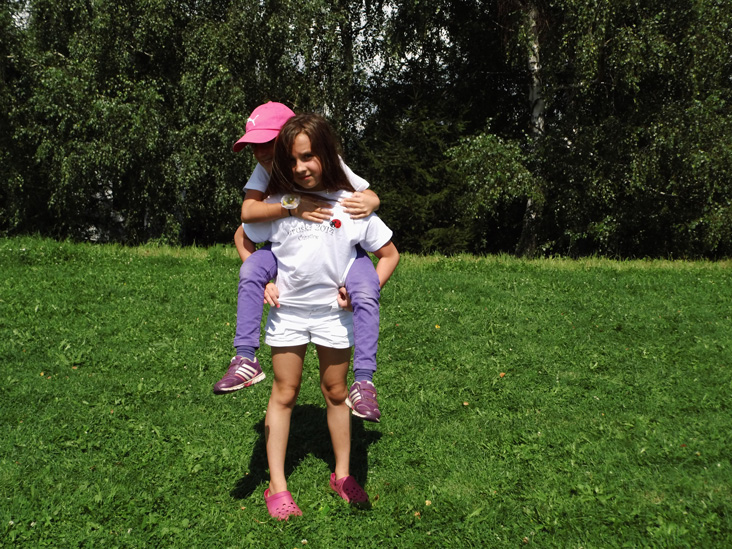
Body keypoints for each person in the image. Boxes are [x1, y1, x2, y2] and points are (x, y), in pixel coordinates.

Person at [243, 113, 399, 520]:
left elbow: (389, 254)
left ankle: (342, 475)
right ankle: (277, 485)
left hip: (333, 317)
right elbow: (244, 233)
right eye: (293, 160)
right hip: (288, 315)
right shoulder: (281, 203)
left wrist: (362, 291)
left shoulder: (350, 203)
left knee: (335, 392)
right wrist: (263, 281)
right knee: (285, 392)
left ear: (327, 155)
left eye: (308, 157)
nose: (300, 168)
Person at [213, 102, 385, 422]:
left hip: (340, 247)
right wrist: (291, 206)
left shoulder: (321, 160)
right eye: (254, 146)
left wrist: (373, 201)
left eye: (268, 142)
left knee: (364, 290)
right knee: (251, 269)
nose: (261, 152)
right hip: (284, 245)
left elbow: (365, 193)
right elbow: (246, 217)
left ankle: (364, 381)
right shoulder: (265, 169)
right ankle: (246, 358)